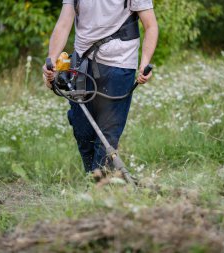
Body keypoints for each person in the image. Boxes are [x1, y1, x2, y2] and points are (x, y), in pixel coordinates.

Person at [42, 0, 158, 174]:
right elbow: (64, 24)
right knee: (83, 131)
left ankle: (98, 188)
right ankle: (93, 179)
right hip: (83, 63)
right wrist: (51, 59)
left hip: (120, 64)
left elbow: (151, 25)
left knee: (107, 134)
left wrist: (145, 62)